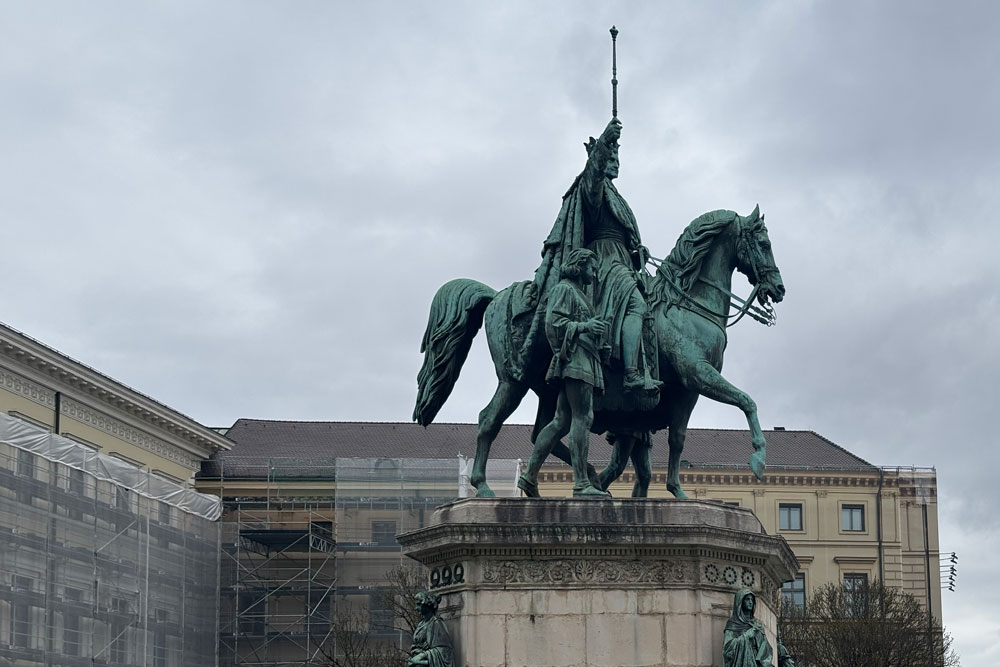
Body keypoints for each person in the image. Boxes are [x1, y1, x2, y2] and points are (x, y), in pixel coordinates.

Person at [539, 117, 659, 391]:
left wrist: (637, 252)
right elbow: (592, 172)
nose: (616, 162)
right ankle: (630, 373)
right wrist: (605, 141)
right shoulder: (593, 186)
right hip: (603, 260)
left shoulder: (618, 196)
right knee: (637, 306)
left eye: (618, 158)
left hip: (622, 259)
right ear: (599, 159)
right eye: (611, 157)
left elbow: (626, 234)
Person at [519, 248, 610, 497]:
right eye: (592, 267)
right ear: (580, 267)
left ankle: (528, 476)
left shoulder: (580, 294)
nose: (595, 272)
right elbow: (554, 323)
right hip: (576, 359)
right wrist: (585, 326)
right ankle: (581, 483)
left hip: (586, 358)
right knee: (583, 417)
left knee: (561, 421)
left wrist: (599, 336)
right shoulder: (565, 289)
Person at [723, 589, 773, 667]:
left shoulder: (757, 624)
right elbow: (727, 649)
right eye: (747, 599)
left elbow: (766, 648)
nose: (750, 602)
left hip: (757, 663)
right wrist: (746, 636)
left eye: (752, 600)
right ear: (740, 602)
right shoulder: (733, 623)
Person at [408, 591, 454, 667]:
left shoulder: (436, 623)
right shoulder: (421, 624)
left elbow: (445, 650)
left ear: (428, 604)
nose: (416, 608)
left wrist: (422, 656)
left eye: (419, 604)